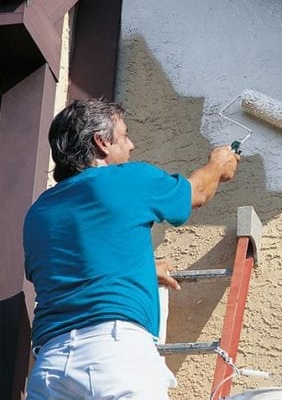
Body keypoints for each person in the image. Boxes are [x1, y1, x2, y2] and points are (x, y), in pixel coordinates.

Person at [24, 99, 240, 399]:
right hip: (114, 355)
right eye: (124, 135)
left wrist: (143, 272)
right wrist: (218, 166)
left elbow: (71, 274)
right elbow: (198, 192)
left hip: (50, 368)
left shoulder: (39, 212)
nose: (132, 144)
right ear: (101, 142)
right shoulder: (128, 179)